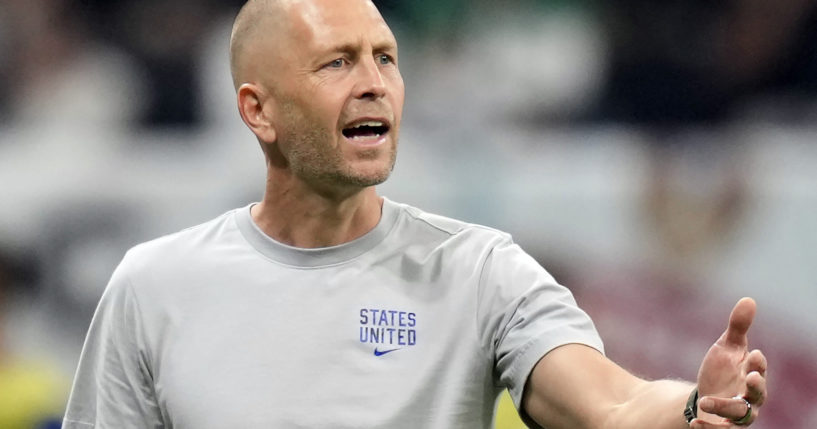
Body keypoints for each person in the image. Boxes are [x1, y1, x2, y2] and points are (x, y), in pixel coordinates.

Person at [62, 0, 768, 428]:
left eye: (385, 58)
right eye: (337, 63)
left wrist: (688, 407)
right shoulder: (153, 284)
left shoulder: (482, 271)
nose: (373, 84)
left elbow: (608, 405)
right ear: (258, 109)